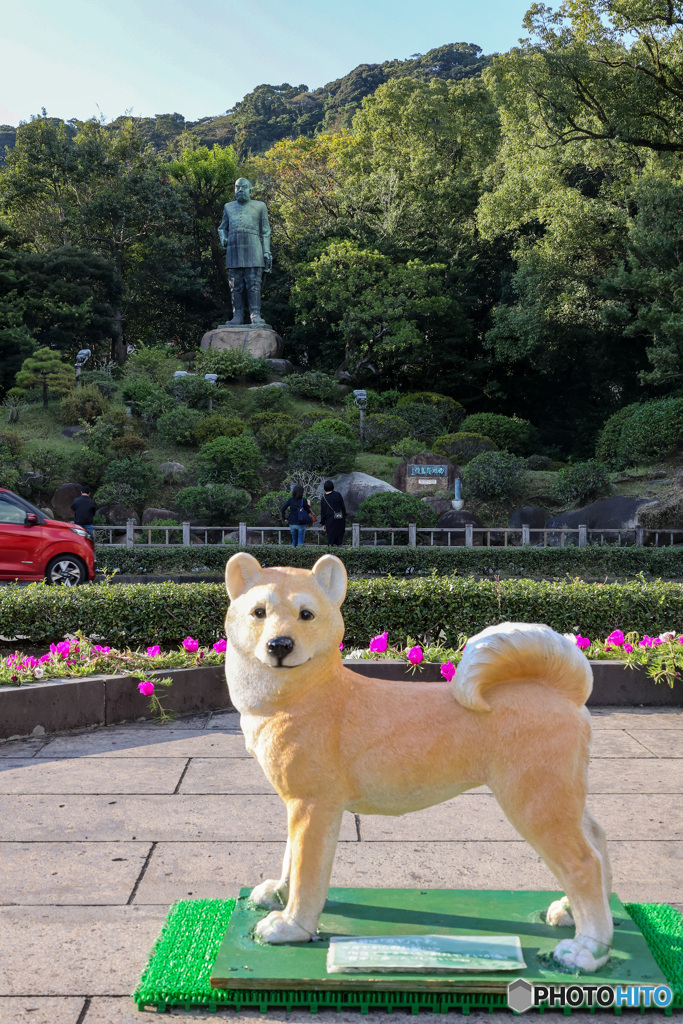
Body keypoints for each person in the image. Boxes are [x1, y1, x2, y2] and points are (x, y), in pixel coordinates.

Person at [217, 177, 272, 327]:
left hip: (254, 248)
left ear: (249, 189)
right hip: (234, 250)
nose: (240, 190)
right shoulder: (228, 207)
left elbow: (266, 231)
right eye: (237, 187)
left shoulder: (260, 206)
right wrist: (224, 238)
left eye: (244, 187)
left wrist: (266, 251)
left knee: (254, 283)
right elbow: (222, 228)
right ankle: (237, 315)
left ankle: (255, 315)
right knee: (235, 285)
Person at [320, 479, 346, 547]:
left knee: (330, 540)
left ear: (324, 488)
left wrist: (323, 523)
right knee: (339, 541)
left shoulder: (324, 498)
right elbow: (343, 507)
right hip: (340, 519)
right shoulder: (338, 495)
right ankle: (339, 555)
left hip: (330, 521)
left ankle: (330, 555)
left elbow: (323, 512)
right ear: (332, 486)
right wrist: (344, 517)